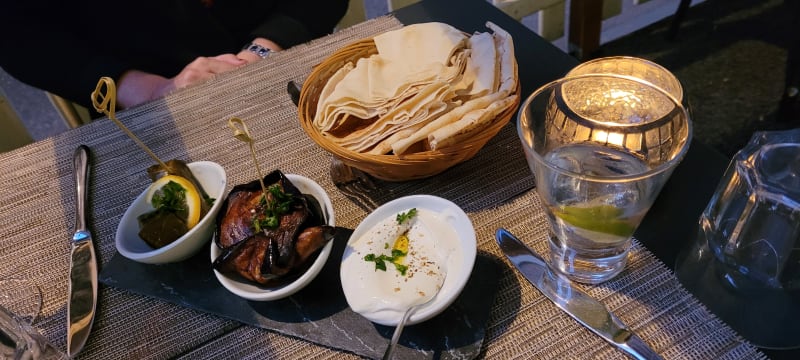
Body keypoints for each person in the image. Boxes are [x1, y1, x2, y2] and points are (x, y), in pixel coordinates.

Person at [0, 1, 349, 111]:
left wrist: (262, 50)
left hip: (286, 56)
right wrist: (146, 89)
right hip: (150, 96)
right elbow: (21, 37)